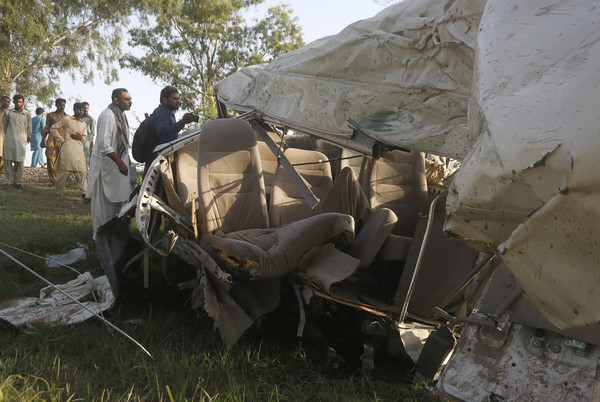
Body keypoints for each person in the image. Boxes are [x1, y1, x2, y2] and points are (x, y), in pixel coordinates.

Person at [87, 88, 135, 238]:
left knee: (119, 203)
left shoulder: (121, 116)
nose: (130, 102)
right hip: (106, 167)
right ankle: (99, 236)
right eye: (126, 99)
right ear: (116, 100)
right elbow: (103, 144)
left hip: (118, 168)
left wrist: (126, 162)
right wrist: (120, 163)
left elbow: (122, 144)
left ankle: (114, 235)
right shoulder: (108, 115)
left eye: (130, 99)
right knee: (103, 206)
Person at [143, 86, 196, 173]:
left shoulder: (167, 113)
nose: (178, 101)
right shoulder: (160, 114)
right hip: (157, 163)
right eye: (174, 99)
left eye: (178, 99)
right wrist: (183, 122)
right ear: (164, 100)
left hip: (163, 161)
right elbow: (165, 134)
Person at [50, 103, 88, 200]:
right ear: (74, 109)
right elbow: (53, 128)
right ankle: (58, 193)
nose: (81, 111)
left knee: (81, 171)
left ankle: (84, 194)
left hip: (79, 148)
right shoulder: (67, 119)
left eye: (82, 110)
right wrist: (62, 140)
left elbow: (84, 137)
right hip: (67, 147)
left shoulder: (83, 124)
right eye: (79, 109)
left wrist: (81, 137)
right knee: (65, 171)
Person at [1, 94, 32, 190]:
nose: (18, 103)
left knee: (20, 162)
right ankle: (8, 182)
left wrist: (24, 137)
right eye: (16, 101)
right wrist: (11, 135)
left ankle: (19, 183)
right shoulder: (7, 113)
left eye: (20, 102)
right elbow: (4, 126)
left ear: (23, 103)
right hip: (9, 140)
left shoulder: (27, 114)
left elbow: (29, 128)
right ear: (13, 102)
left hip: (21, 142)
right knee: (8, 161)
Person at [42, 98, 68, 185]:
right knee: (50, 159)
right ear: (56, 105)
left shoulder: (68, 117)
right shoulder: (51, 115)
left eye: (63, 105)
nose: (62, 107)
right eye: (60, 105)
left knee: (62, 160)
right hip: (52, 140)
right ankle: (53, 180)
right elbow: (47, 128)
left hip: (64, 140)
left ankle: (61, 180)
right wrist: (43, 140)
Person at [81, 101, 96, 170]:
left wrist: (92, 143)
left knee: (85, 154)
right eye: (84, 108)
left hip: (87, 139)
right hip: (77, 138)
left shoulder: (91, 119)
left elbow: (92, 133)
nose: (86, 110)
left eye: (87, 108)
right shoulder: (76, 118)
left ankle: (84, 169)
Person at [0, 95, 11, 177]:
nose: (6, 103)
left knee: (5, 154)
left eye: (8, 102)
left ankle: (2, 173)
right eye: (4, 101)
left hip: (7, 136)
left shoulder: (11, 113)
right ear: (1, 102)